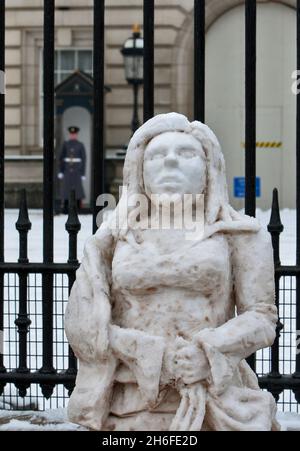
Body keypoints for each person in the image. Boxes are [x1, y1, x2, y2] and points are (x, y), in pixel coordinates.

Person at [65, 113, 280, 431]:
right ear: (140, 168)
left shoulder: (241, 234)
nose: (170, 163)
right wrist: (145, 352)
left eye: (186, 153)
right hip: (128, 401)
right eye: (156, 155)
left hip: (214, 399)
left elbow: (262, 318)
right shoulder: (111, 238)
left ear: (209, 168)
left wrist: (209, 352)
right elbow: (84, 324)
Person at [57, 126, 86, 213]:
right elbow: (61, 158)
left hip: (77, 171)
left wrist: (83, 173)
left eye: (74, 134)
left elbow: (84, 159)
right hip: (67, 170)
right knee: (66, 190)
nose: (73, 135)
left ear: (76, 135)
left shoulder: (80, 145)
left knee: (77, 190)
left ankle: (77, 207)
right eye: (71, 134)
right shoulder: (65, 144)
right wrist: (61, 171)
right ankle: (65, 207)